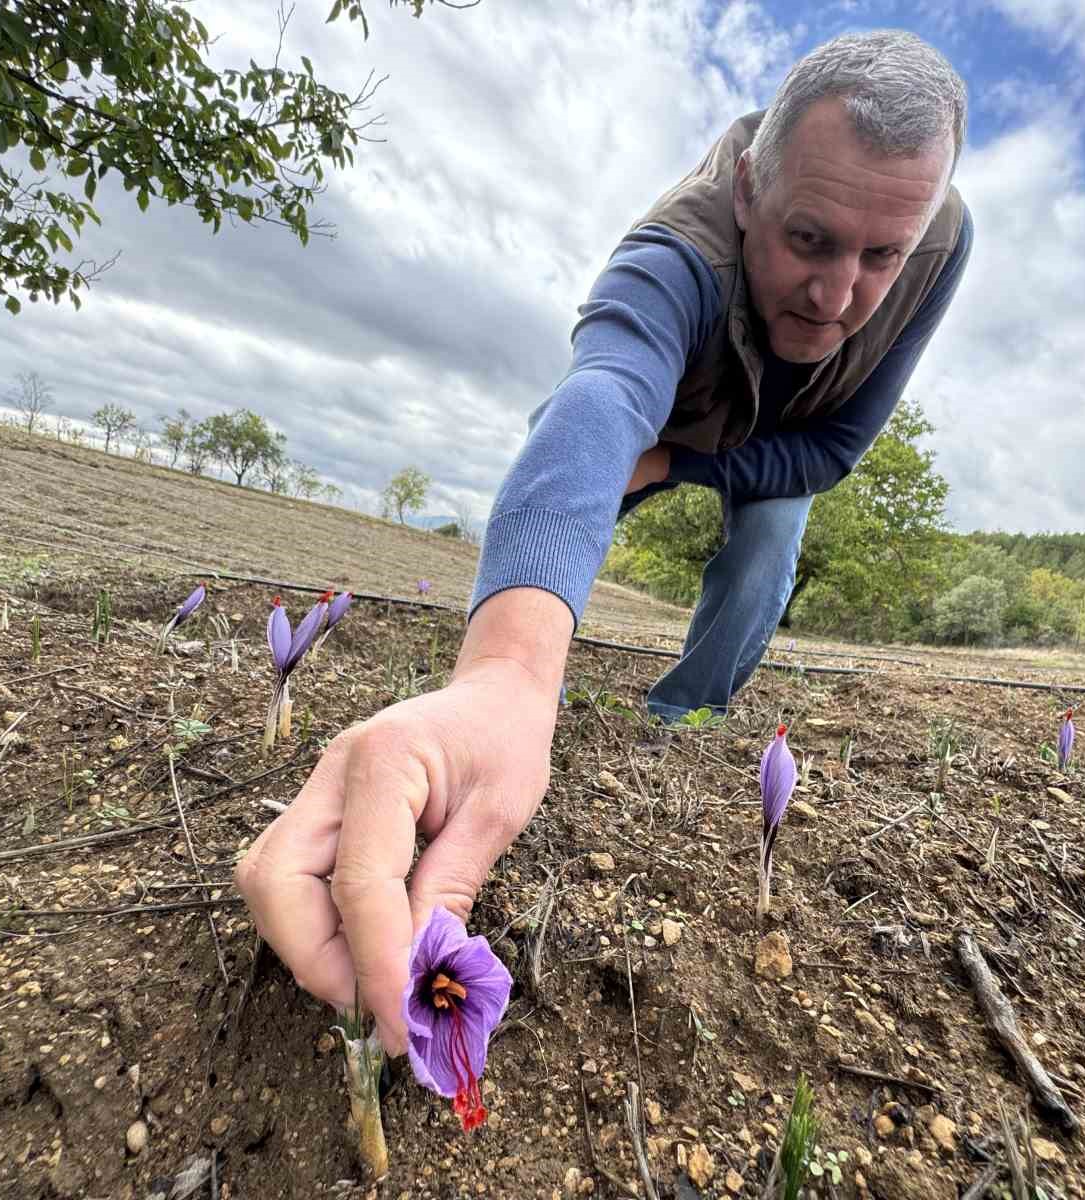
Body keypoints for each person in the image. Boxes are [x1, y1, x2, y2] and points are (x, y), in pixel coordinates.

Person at [236, 29, 973, 1055]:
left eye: (879, 255)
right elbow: (597, 405)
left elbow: (833, 451)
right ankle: (480, 701)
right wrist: (506, 672)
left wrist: (683, 470)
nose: (838, 294)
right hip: (655, 417)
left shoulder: (940, 236)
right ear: (752, 191)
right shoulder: (673, 252)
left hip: (775, 448)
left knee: (764, 557)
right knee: (565, 531)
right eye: (810, 240)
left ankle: (681, 715)